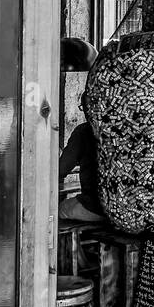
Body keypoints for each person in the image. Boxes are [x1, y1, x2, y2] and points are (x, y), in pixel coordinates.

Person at [58, 95, 104, 223]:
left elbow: (62, 168)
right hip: (122, 210)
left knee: (57, 211)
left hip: (94, 207)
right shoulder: (121, 129)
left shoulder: (83, 131)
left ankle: (65, 243)